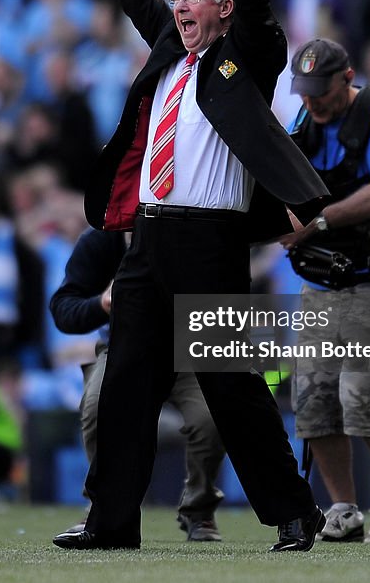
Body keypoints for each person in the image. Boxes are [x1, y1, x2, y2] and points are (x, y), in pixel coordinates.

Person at [52, 0, 328, 553]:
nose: (179, 6)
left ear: (224, 9)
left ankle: (296, 513)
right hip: (147, 240)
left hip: (211, 240)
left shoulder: (249, 56)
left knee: (232, 385)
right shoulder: (169, 50)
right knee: (125, 387)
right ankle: (109, 522)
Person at [279, 37, 370, 544]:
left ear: (347, 79)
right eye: (305, 92)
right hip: (325, 280)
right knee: (314, 398)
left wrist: (316, 223)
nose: (313, 102)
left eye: (321, 91)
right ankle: (342, 509)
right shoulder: (305, 124)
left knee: (363, 389)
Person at [50, 227, 226, 542]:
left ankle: (199, 508)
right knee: (96, 405)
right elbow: (63, 309)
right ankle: (105, 505)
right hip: (124, 347)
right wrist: (101, 304)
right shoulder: (100, 240)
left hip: (190, 348)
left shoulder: (191, 230)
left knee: (211, 416)